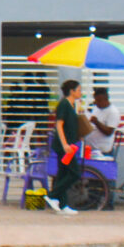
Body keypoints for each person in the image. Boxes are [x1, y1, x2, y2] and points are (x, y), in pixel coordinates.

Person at [44, 79, 83, 215]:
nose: (80, 93)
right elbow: (59, 125)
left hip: (71, 145)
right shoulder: (64, 105)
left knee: (63, 173)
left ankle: (63, 204)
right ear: (71, 91)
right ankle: (52, 195)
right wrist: (65, 144)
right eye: (79, 90)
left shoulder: (72, 105)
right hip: (65, 147)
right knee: (74, 173)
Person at [84, 86, 122, 155]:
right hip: (90, 149)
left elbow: (109, 132)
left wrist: (97, 122)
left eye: (99, 101)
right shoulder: (96, 108)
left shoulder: (113, 112)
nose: (96, 102)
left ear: (106, 99)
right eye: (95, 100)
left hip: (103, 151)